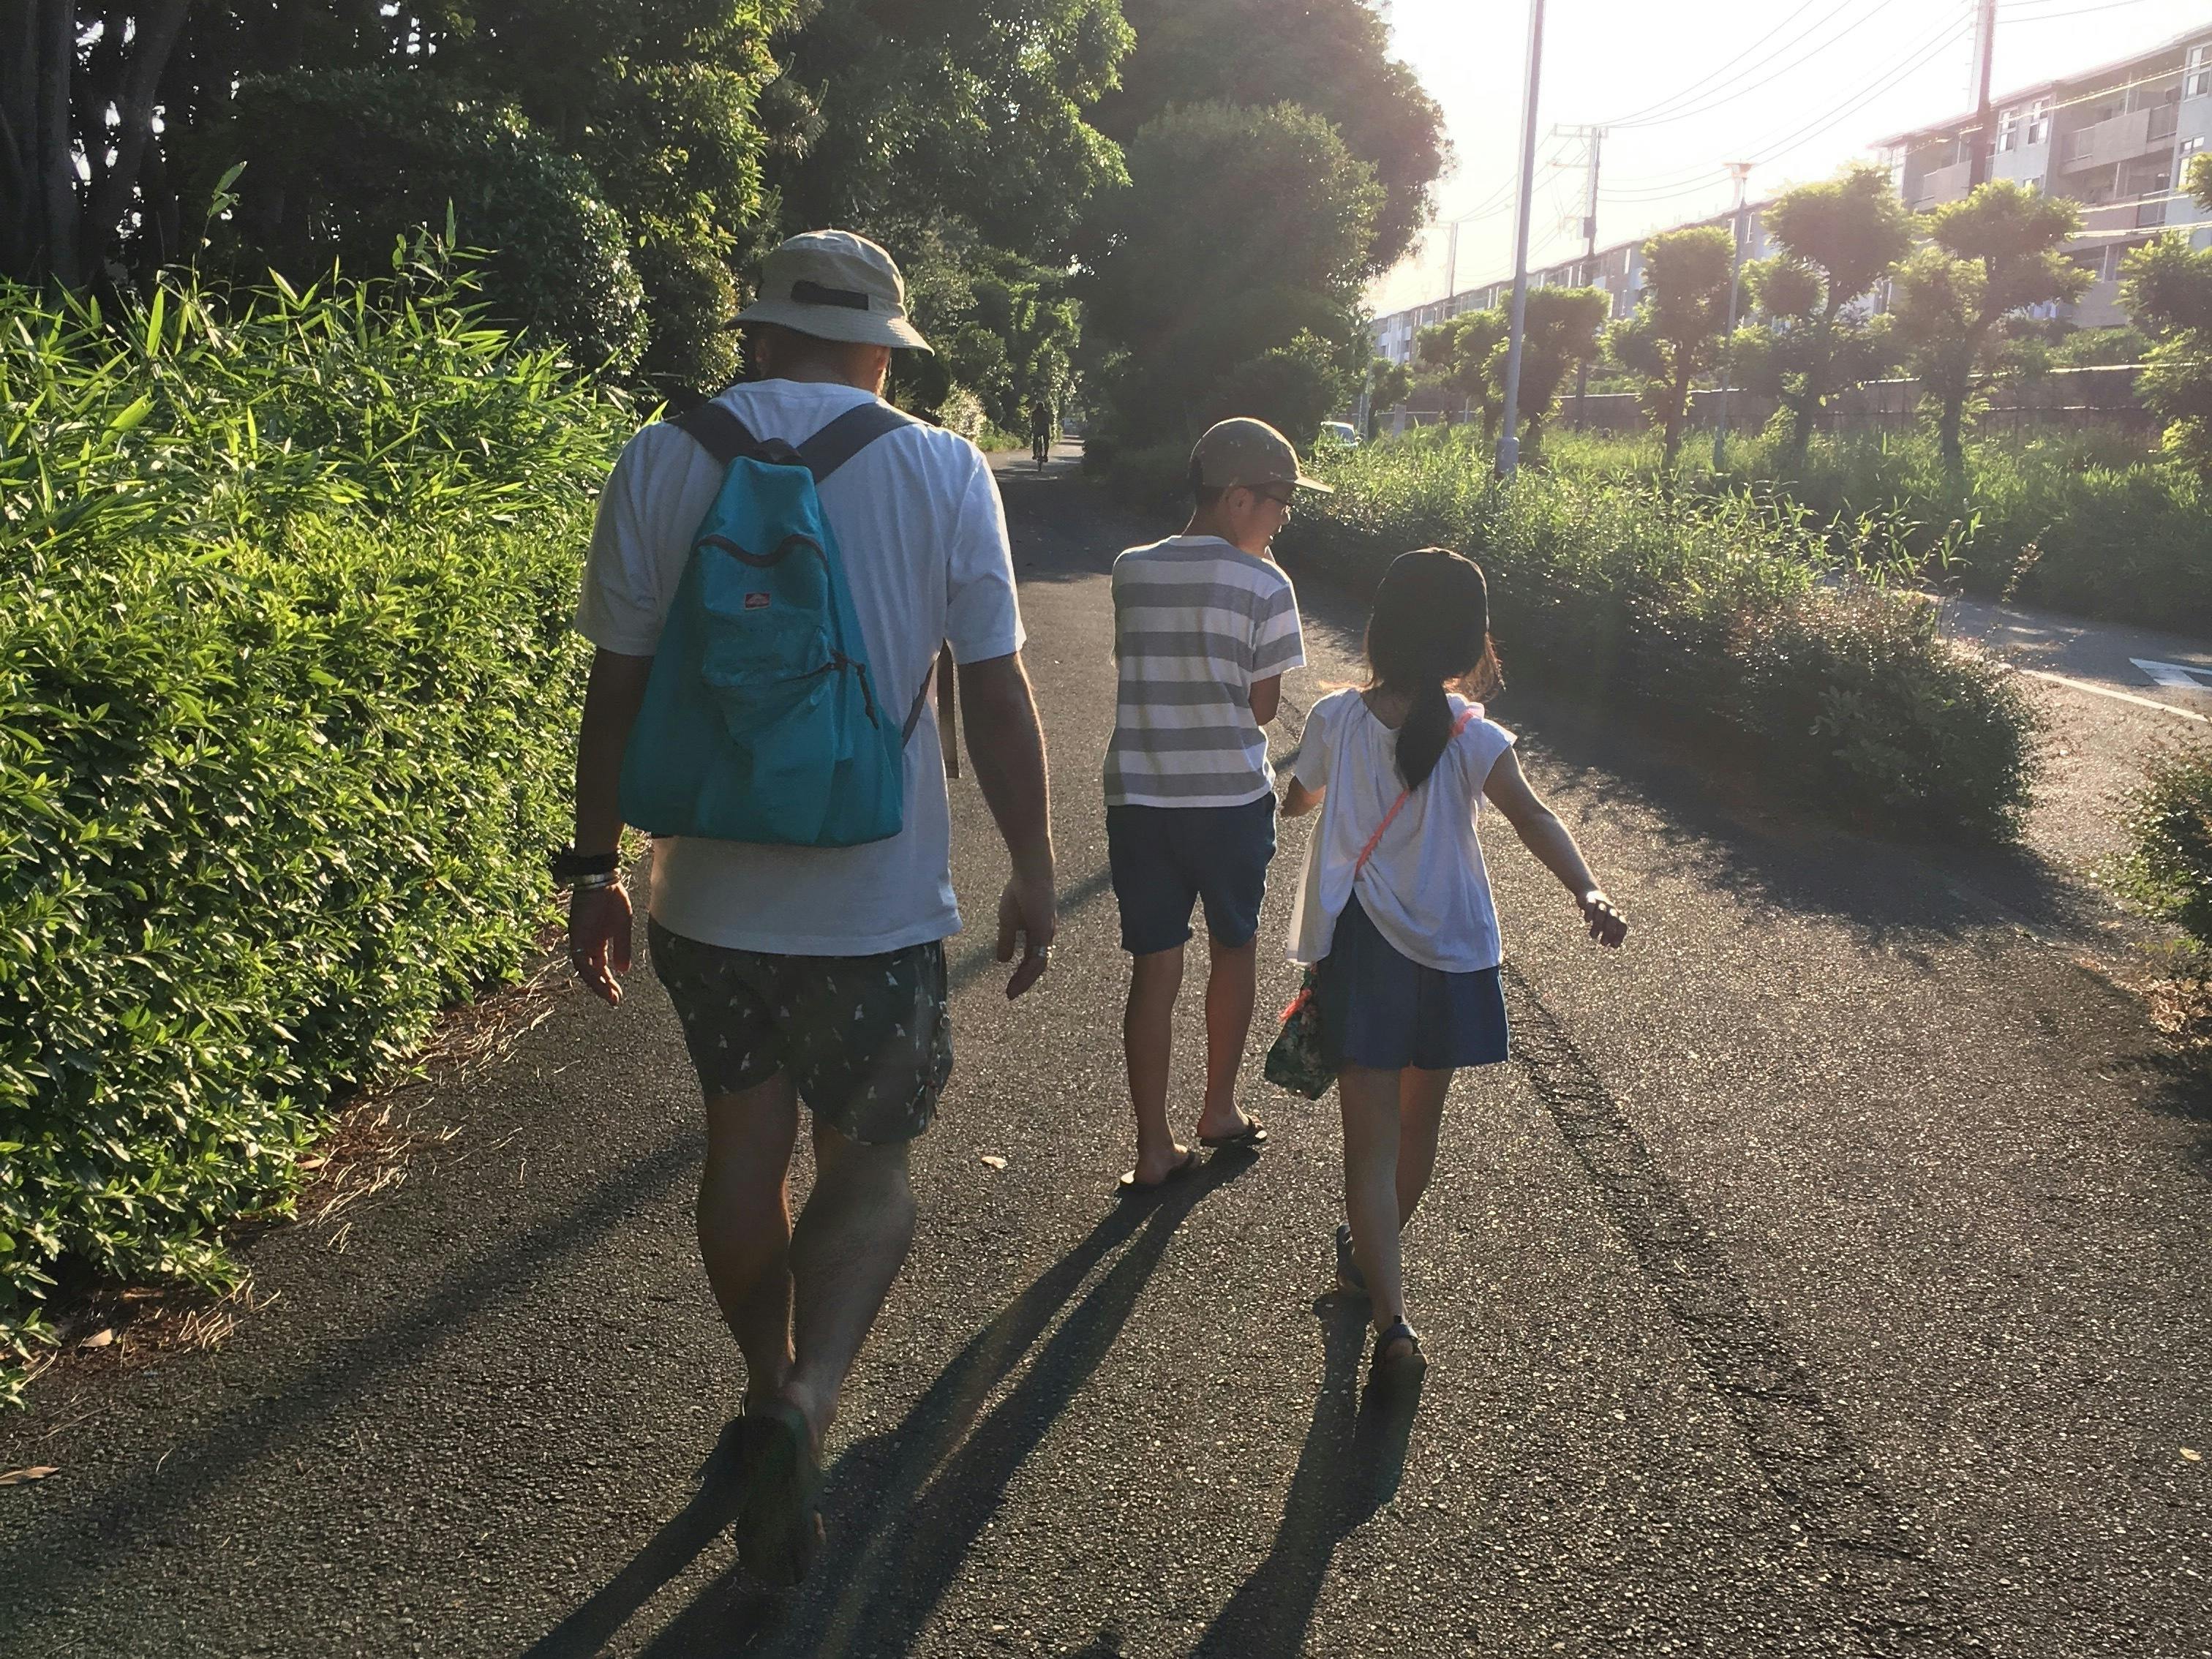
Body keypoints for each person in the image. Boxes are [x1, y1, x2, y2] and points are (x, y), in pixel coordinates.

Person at [560, 229, 1056, 1584]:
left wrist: (592, 872)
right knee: (869, 1169)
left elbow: (616, 688)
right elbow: (996, 688)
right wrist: (1031, 861)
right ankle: (807, 1401)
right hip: (875, 907)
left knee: (742, 1148)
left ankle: (760, 1376)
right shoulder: (942, 467)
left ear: (761, 337)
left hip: (705, 896)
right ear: (882, 353)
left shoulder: (661, 456)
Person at [1281, 549, 1628, 1379]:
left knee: (1367, 1151)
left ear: (1379, 629)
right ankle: (1370, 1267)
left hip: (1364, 950)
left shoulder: (1335, 719)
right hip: (1452, 956)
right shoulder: (1476, 736)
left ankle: (1392, 1322)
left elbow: (1297, 801)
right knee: (1416, 1134)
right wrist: (1588, 889)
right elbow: (1533, 817)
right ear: (1472, 644)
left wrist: (1295, 790)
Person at [1104, 418, 1320, 1190]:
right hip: (1227, 800)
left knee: (1154, 966)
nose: (1284, 517)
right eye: (1280, 500)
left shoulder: (1131, 569)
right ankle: (1219, 1110)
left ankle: (1152, 1147)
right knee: (1233, 947)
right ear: (1237, 498)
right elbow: (1262, 707)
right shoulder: (1267, 586)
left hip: (1140, 798)